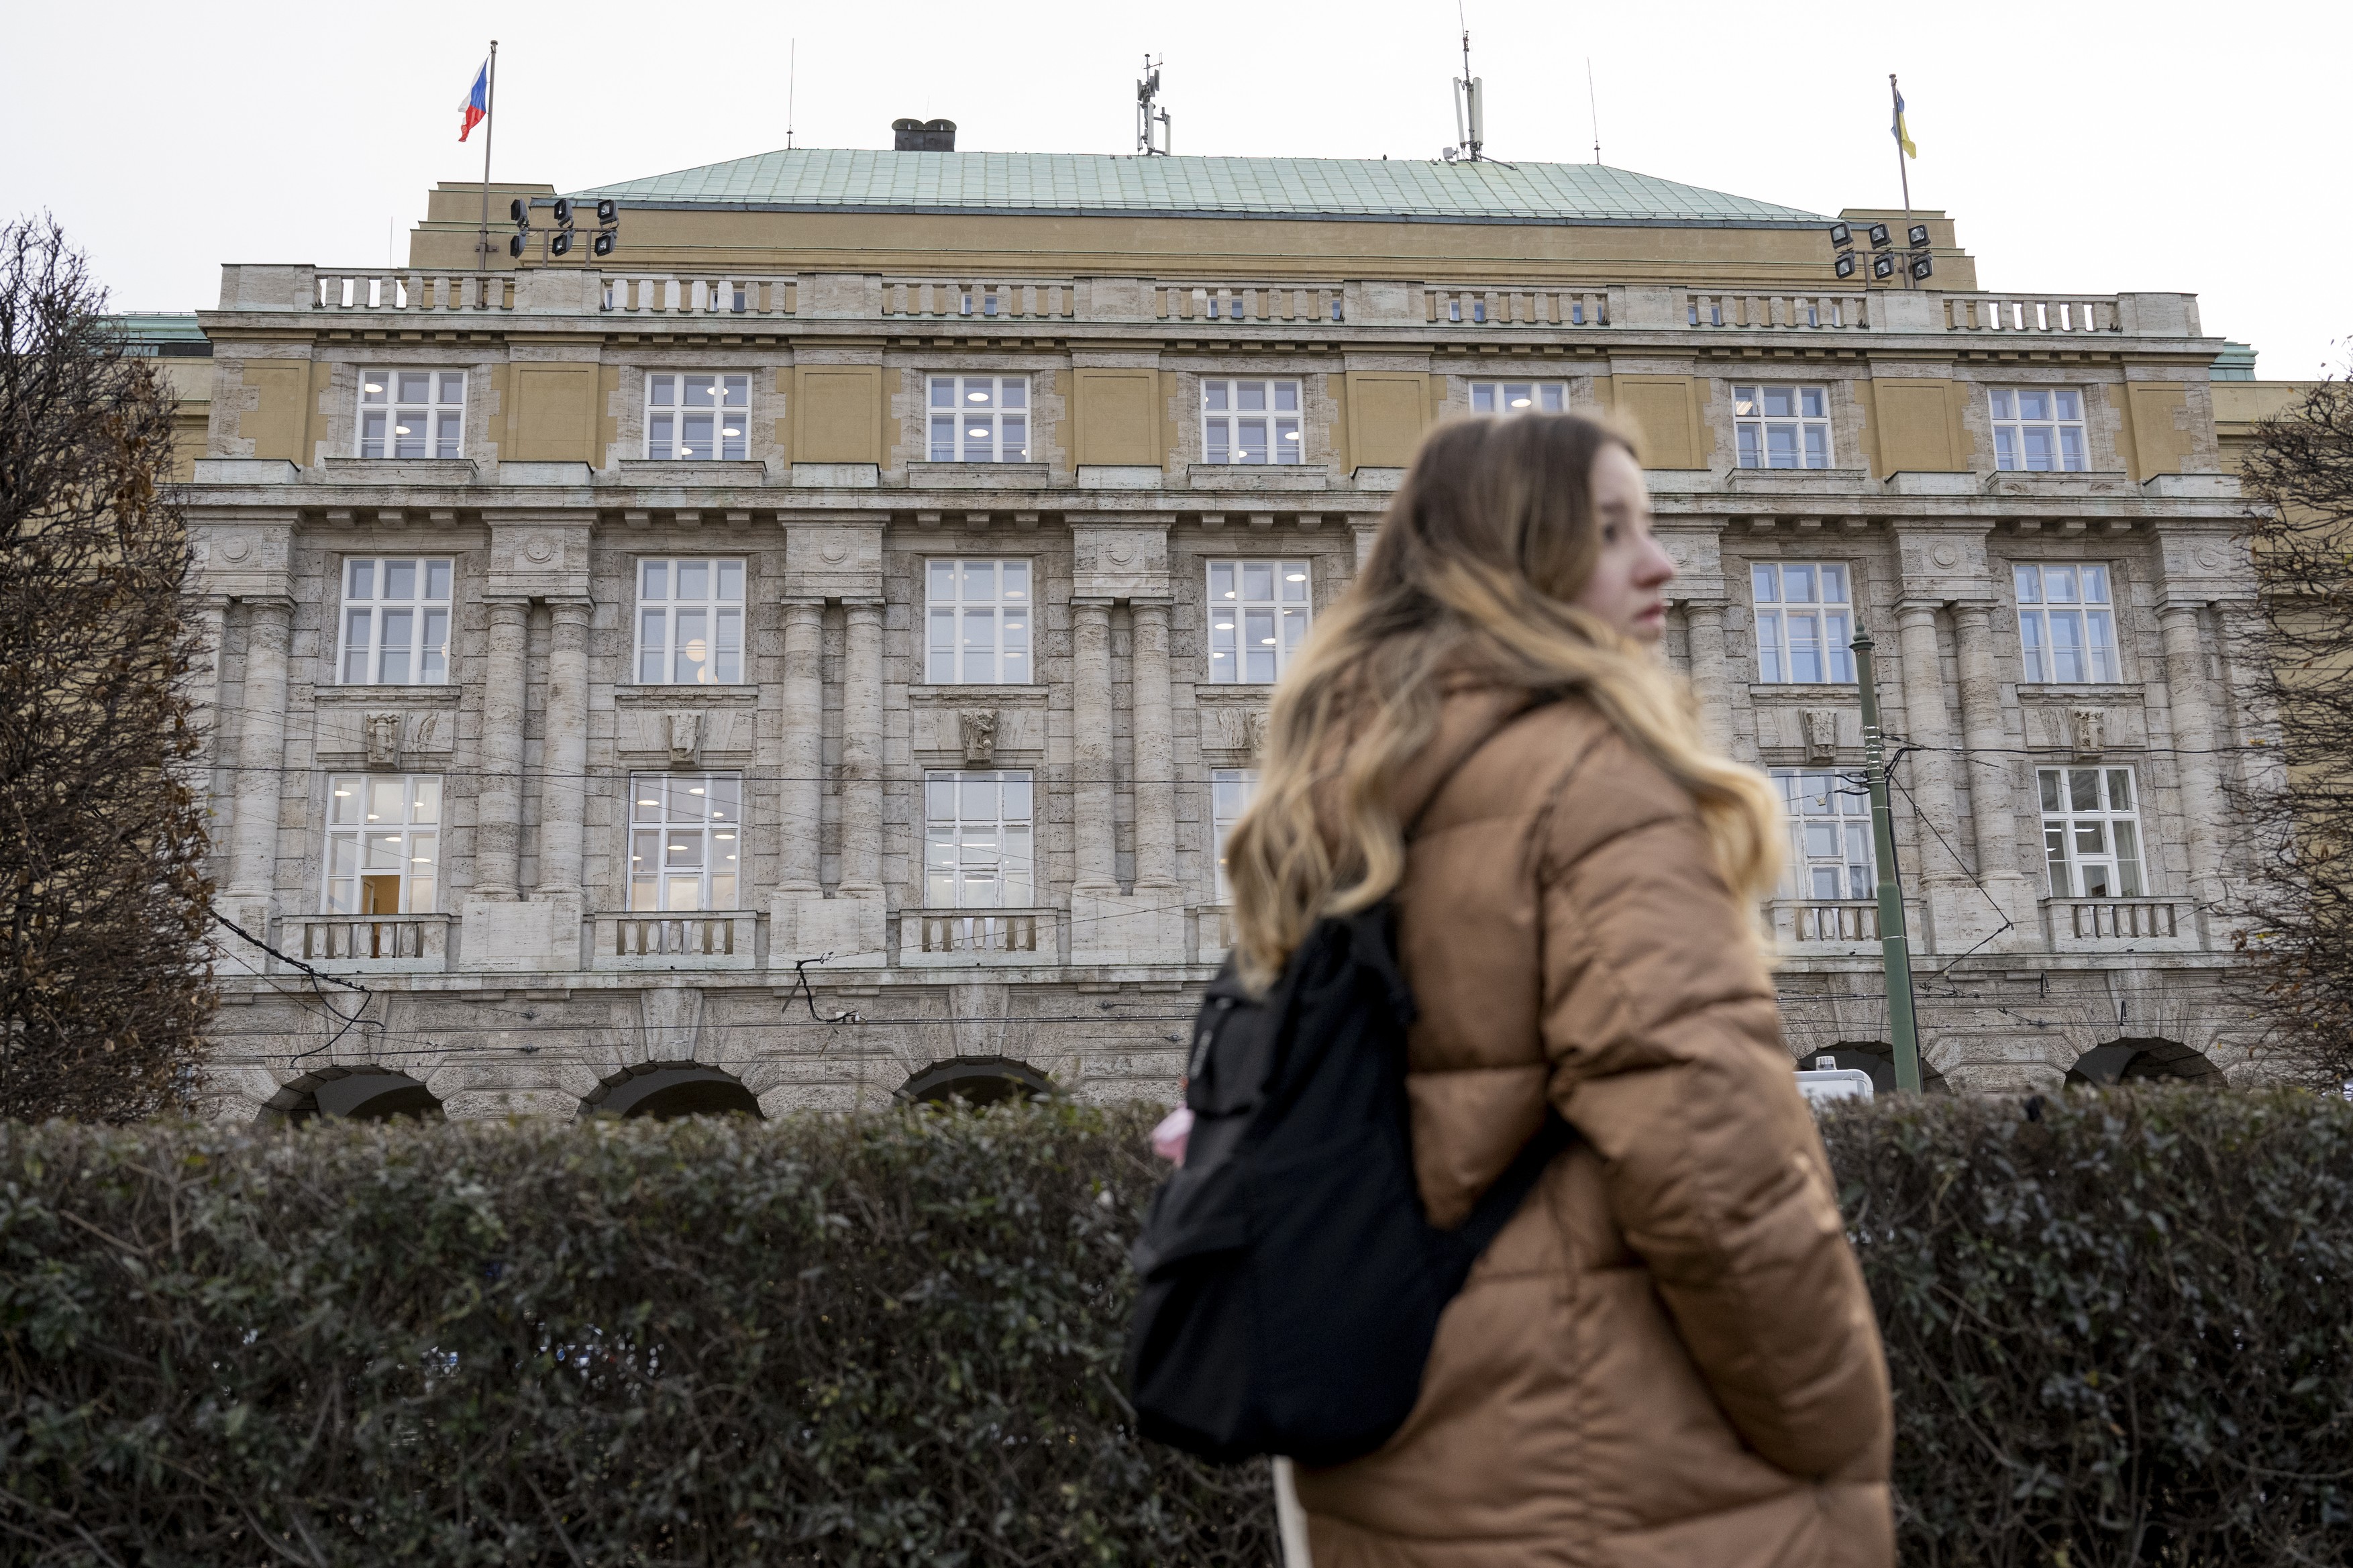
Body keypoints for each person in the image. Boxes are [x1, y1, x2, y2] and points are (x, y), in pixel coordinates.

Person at [1222, 412, 1894, 1568]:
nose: (1661, 562)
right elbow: (1716, 1173)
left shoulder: (1341, 788)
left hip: (1395, 1457)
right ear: (1517, 560)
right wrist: (1840, 1430)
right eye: (1611, 530)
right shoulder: (1598, 784)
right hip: (1616, 1461)